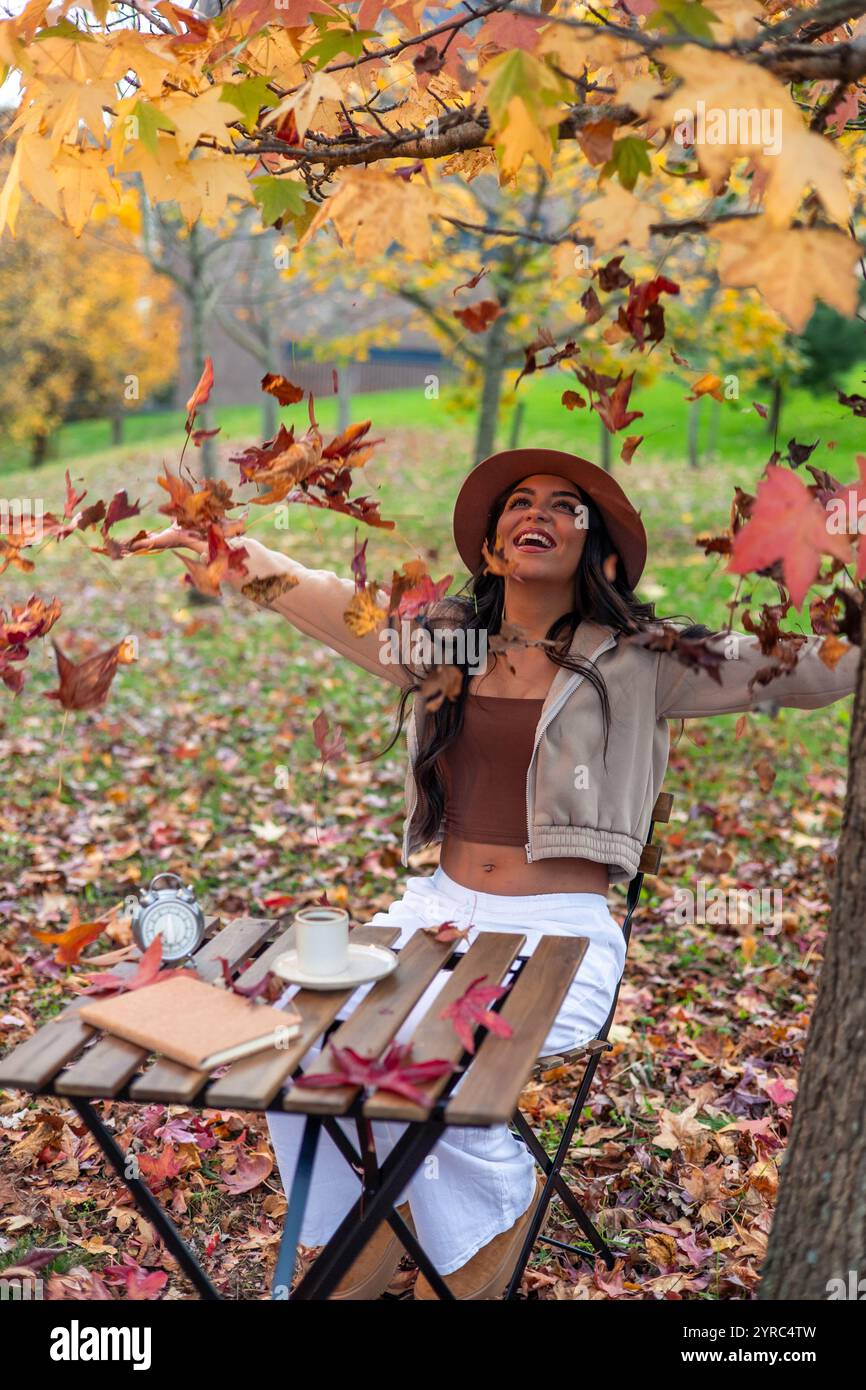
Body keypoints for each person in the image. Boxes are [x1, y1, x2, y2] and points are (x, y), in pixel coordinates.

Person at [138, 446, 859, 1299]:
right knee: (297, 1050)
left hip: (561, 936)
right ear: (491, 543)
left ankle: (483, 1236)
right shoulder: (446, 637)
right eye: (521, 502)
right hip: (433, 917)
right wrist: (235, 552)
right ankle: (363, 1254)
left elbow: (813, 671)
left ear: (596, 547)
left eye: (565, 506)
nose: (538, 515)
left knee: (437, 1069)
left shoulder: (647, 656)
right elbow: (326, 600)